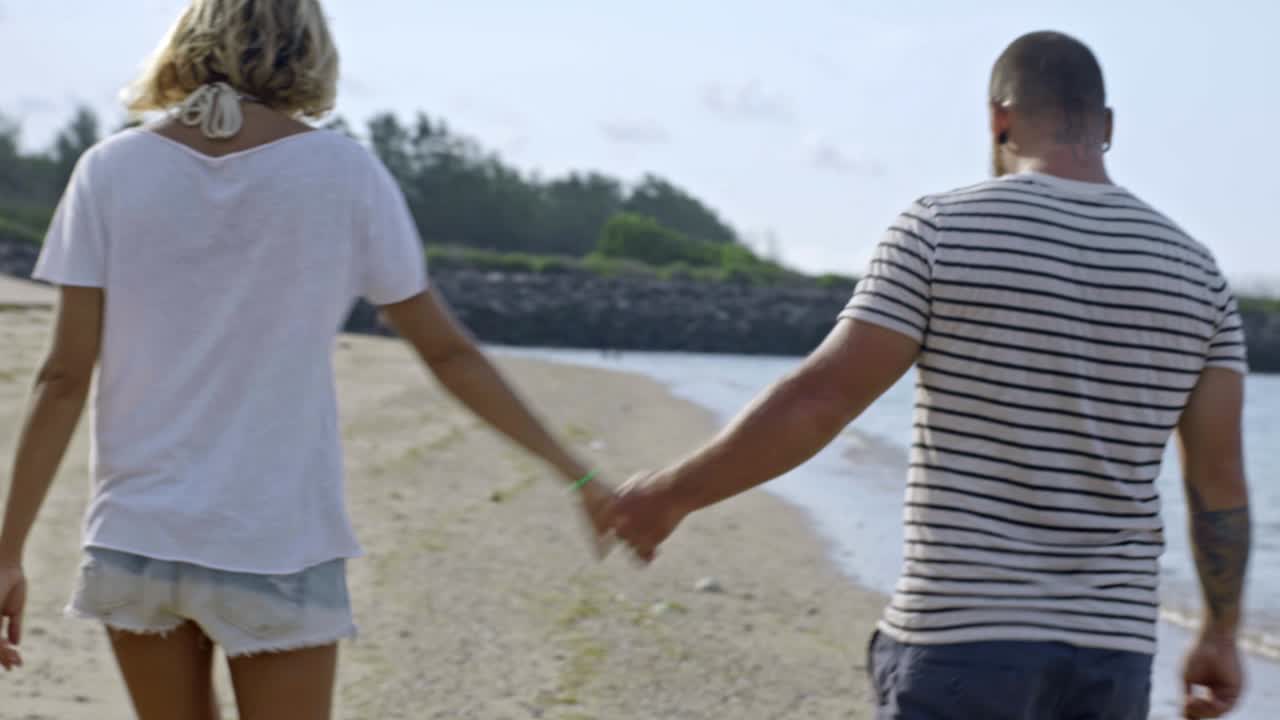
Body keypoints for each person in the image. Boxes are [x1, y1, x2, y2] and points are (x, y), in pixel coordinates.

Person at [611, 31, 1251, 720]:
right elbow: (1217, 481)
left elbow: (820, 402)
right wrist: (1219, 632)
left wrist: (670, 496)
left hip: (963, 639)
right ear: (1109, 127)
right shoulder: (1197, 274)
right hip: (1113, 658)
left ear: (998, 118)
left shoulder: (941, 229)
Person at [0, 1, 614, 718]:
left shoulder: (107, 170)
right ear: (307, 49)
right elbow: (449, 353)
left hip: (137, 539)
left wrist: (9, 554)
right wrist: (583, 479)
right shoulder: (343, 172)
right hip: (274, 540)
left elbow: (64, 379)